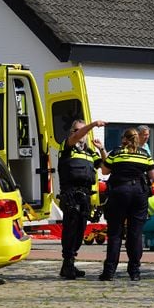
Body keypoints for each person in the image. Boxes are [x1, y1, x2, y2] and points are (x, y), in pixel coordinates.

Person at [99, 128, 154, 281]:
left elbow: (105, 171)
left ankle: (109, 271)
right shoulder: (145, 154)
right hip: (139, 193)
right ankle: (135, 271)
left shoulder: (116, 153)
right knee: (135, 233)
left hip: (119, 192)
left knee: (115, 233)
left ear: (124, 139)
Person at [58, 119, 107, 279]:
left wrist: (102, 150)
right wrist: (92, 125)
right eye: (77, 131)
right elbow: (76, 136)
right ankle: (67, 264)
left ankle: (71, 262)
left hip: (85, 196)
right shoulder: (67, 147)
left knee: (80, 232)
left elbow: (106, 169)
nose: (81, 134)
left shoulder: (90, 153)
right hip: (71, 194)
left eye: (82, 131)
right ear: (72, 132)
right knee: (70, 230)